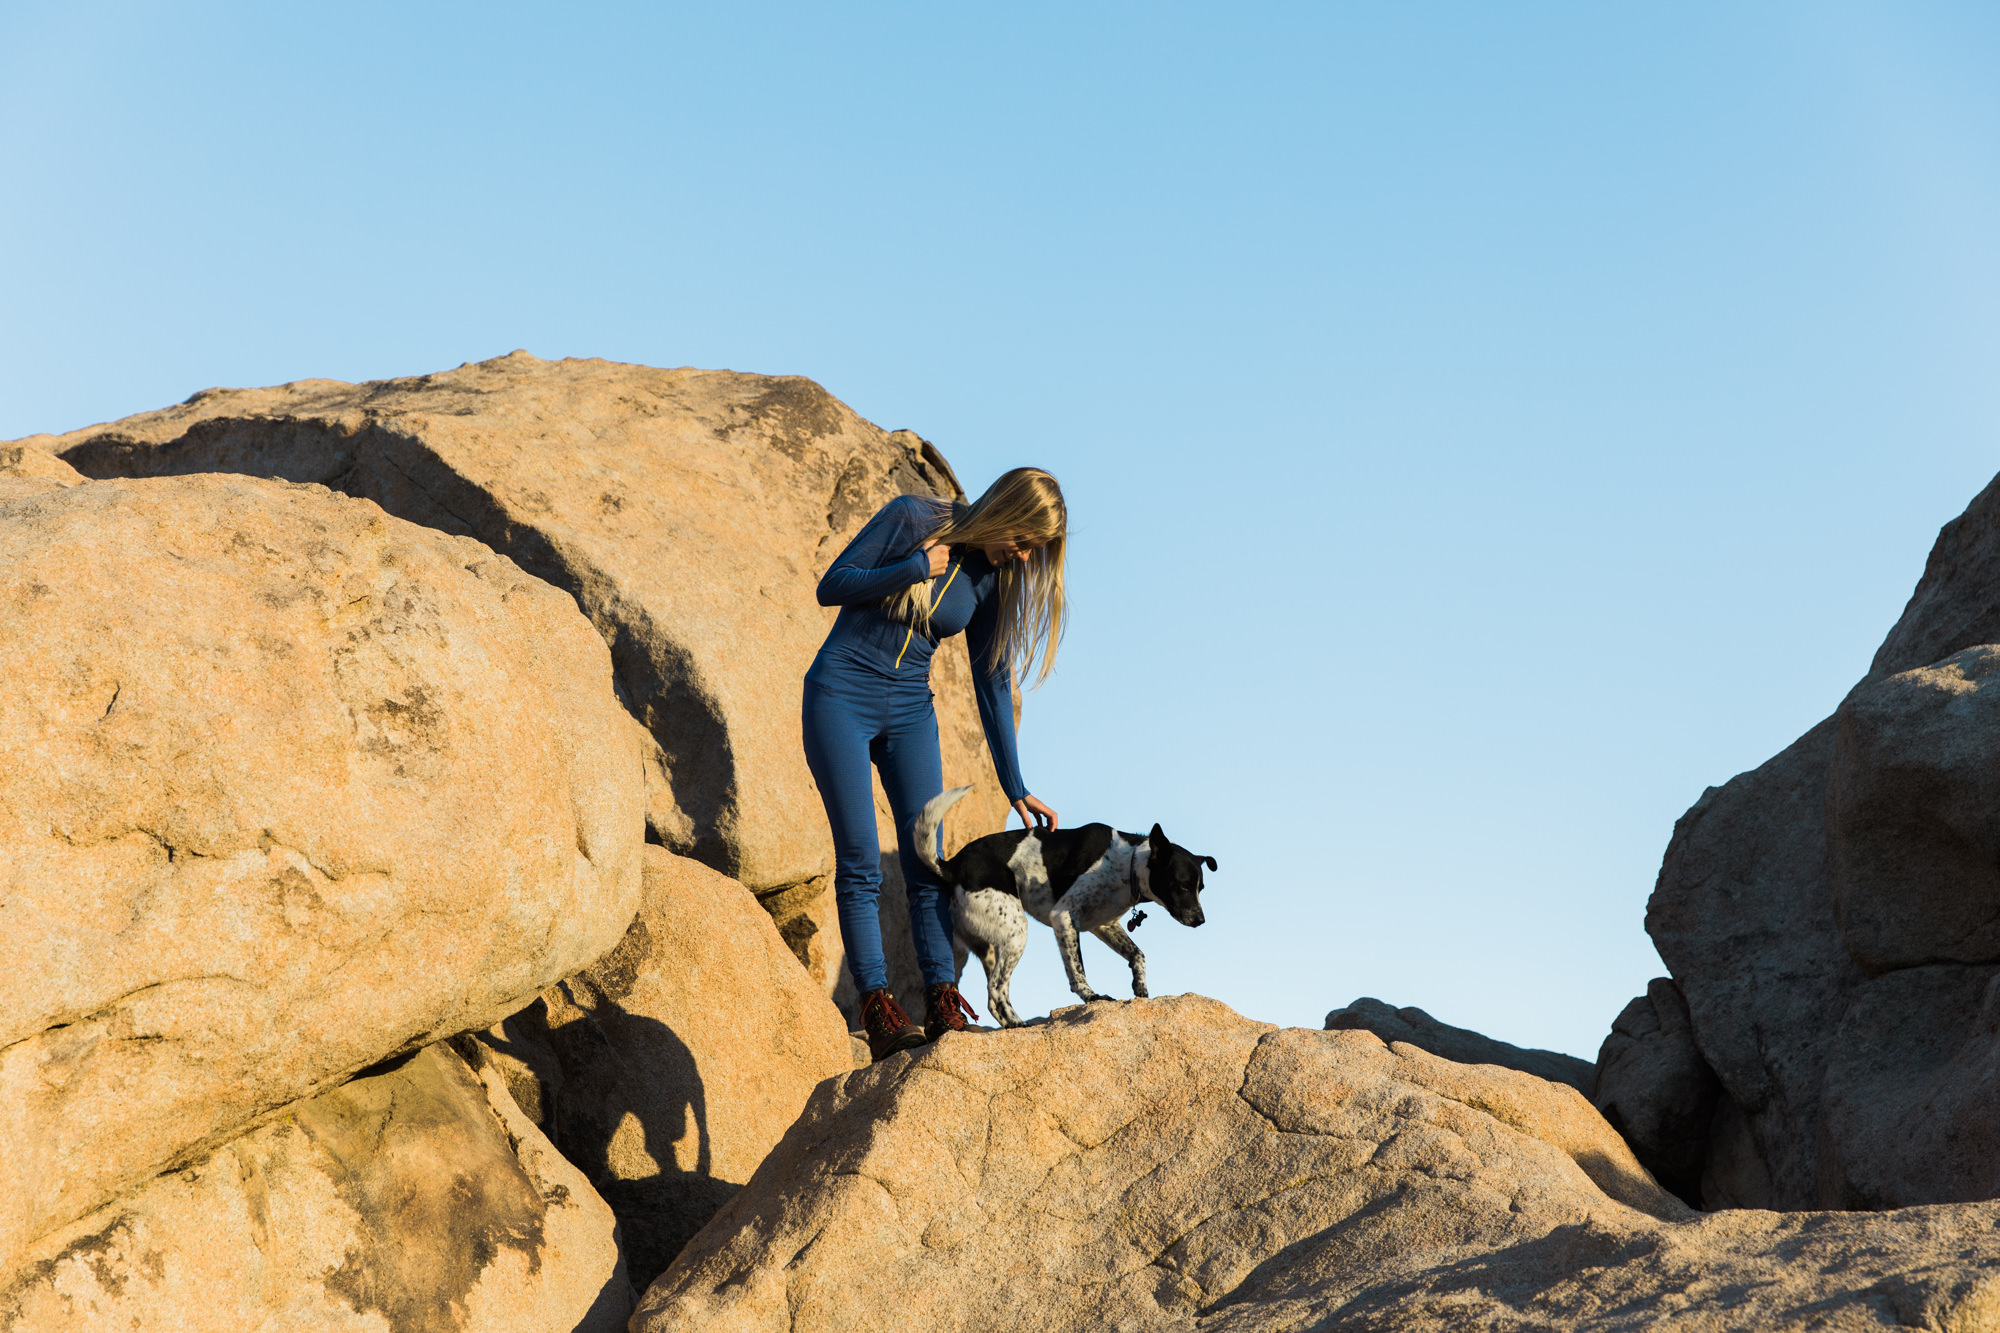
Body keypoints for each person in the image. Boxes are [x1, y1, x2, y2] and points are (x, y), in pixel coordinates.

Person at [803, 467, 1067, 1060]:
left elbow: (992, 680)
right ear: (1004, 511)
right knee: (861, 861)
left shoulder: (992, 579)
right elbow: (834, 584)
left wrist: (1016, 785)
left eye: (1035, 551)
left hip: (910, 715)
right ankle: (878, 1005)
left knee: (928, 863)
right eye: (1023, 540)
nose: (1024, 557)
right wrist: (916, 569)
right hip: (840, 696)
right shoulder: (912, 518)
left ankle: (942, 1000)